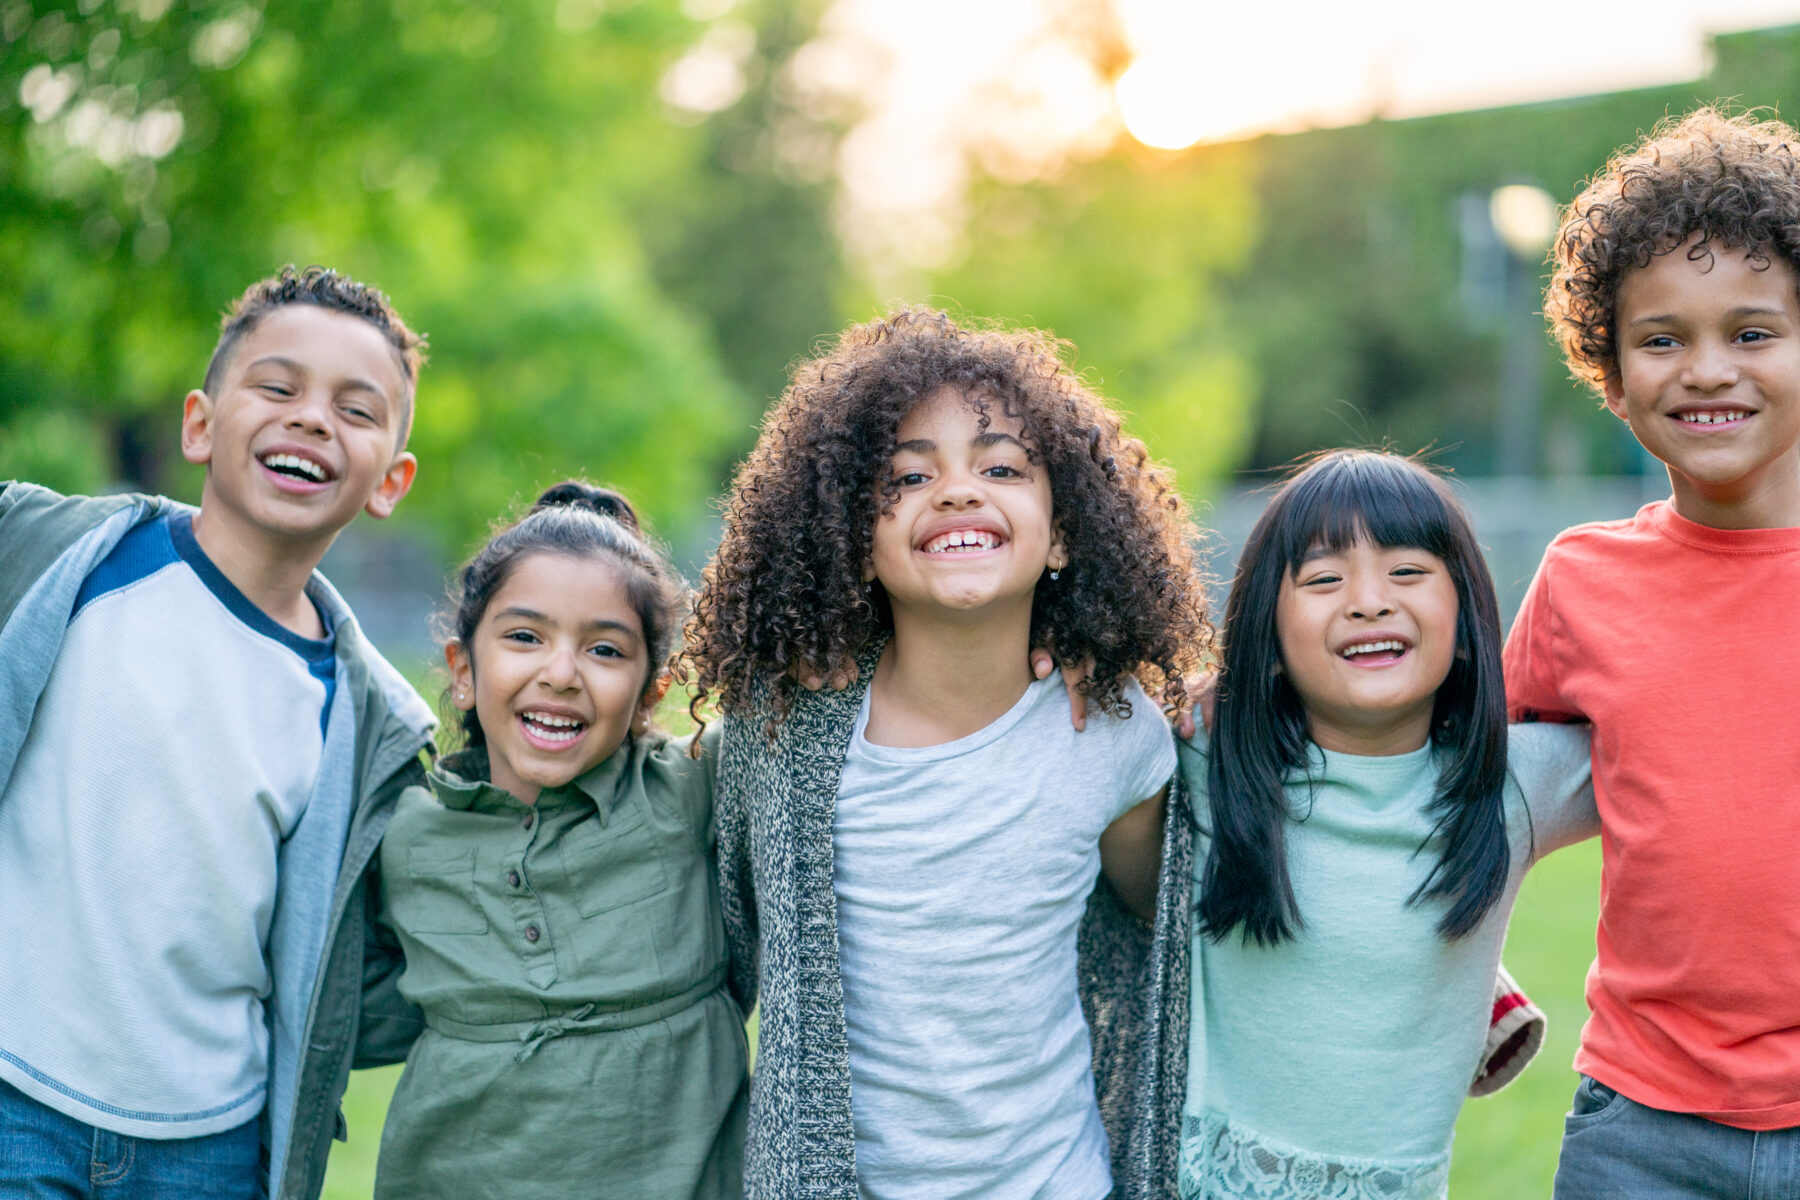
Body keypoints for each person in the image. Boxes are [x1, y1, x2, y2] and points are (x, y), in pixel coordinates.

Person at [681, 308, 1212, 1199]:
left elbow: (1169, 928)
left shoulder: (1115, 734)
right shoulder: (782, 735)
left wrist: (1226, 703)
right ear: (852, 541)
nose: (959, 492)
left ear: (1064, 531)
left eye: (1001, 467)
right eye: (908, 476)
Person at [0, 265, 433, 1200]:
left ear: (390, 481)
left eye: (355, 410)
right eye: (277, 388)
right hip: (14, 1097)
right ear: (199, 425)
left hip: (209, 1150)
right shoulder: (60, 562)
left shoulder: (370, 725)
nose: (311, 419)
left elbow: (367, 967)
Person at [1512, 107, 1800, 1197]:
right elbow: (1431, 763)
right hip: (1641, 1131)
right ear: (1613, 375)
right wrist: (1239, 703)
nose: (1707, 371)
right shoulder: (1581, 583)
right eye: (1663, 339)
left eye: (1753, 333)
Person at [1180, 450, 1597, 1200]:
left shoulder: (1513, 784)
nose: (1369, 602)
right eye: (1323, 579)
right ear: (1266, 640)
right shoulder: (1205, 759)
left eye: (1407, 572)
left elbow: (1677, 743)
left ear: (1465, 627)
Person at [371, 482, 747, 1199]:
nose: (561, 674)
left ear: (651, 691)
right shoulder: (403, 832)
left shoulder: (692, 788)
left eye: (605, 649)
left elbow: (823, 681)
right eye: (524, 637)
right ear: (462, 672)